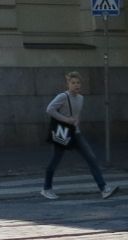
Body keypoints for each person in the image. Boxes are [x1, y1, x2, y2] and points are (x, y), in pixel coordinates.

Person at [42, 70, 115, 200]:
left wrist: (76, 121)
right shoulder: (63, 96)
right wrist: (66, 120)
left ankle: (104, 188)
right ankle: (46, 188)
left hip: (76, 133)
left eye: (78, 83)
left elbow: (76, 115)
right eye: (73, 82)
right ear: (68, 84)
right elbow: (49, 109)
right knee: (55, 161)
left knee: (91, 158)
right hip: (62, 134)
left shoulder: (81, 98)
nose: (76, 85)